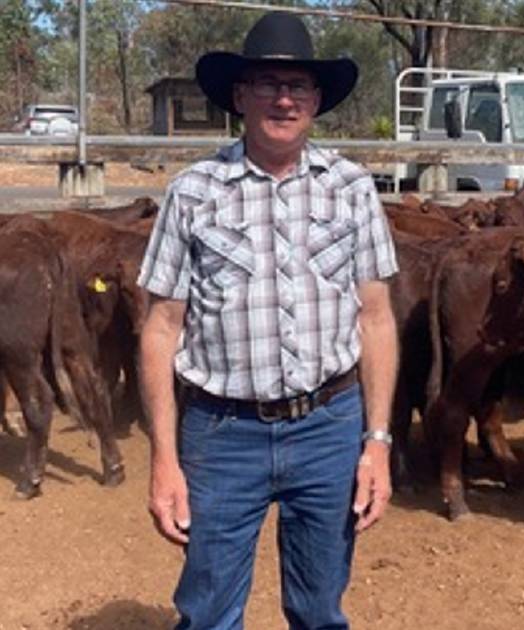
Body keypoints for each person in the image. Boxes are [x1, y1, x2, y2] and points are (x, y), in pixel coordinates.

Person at [137, 11, 398, 629]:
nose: (284, 98)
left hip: (328, 428)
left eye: (298, 86)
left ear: (316, 100)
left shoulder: (352, 188)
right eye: (268, 84)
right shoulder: (195, 191)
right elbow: (160, 328)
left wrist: (378, 442)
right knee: (208, 613)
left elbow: (377, 319)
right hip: (222, 431)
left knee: (318, 608)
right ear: (239, 96)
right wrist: (163, 459)